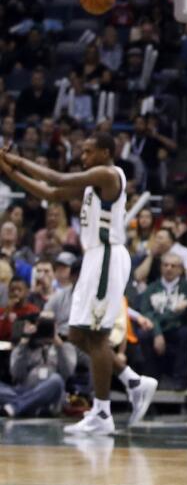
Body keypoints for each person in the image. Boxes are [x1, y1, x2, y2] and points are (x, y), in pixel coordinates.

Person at [0, 134, 157, 434]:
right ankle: (132, 381)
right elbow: (51, 192)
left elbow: (57, 177)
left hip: (108, 255)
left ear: (106, 152)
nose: (82, 156)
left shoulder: (108, 174)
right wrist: (9, 172)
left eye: (88, 152)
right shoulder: (92, 183)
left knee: (96, 337)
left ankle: (101, 413)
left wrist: (17, 158)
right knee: (75, 333)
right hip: (94, 259)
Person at [133, 253, 187, 389]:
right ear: (160, 268)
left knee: (186, 334)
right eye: (165, 265)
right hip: (156, 328)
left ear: (180, 269)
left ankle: (180, 381)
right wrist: (158, 333)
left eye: (173, 266)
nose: (169, 269)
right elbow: (146, 313)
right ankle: (151, 381)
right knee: (143, 335)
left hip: (178, 327)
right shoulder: (152, 288)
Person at [0, 311, 74, 418]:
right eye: (42, 323)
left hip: (51, 393)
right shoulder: (24, 347)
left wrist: (59, 346)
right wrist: (23, 343)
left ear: (56, 325)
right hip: (24, 391)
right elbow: (17, 374)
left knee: (56, 380)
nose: (45, 327)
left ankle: (16, 407)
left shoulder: (65, 347)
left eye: (49, 323)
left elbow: (67, 374)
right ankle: (30, 406)